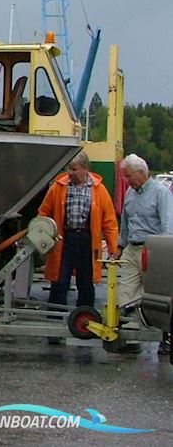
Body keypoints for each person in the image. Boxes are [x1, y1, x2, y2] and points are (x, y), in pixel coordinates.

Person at [38, 151, 118, 310]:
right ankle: (55, 320)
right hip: (64, 239)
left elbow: (109, 222)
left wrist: (113, 248)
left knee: (86, 283)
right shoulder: (58, 187)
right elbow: (43, 213)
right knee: (59, 281)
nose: (70, 172)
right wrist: (45, 237)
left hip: (87, 241)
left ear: (85, 169)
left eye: (74, 169)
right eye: (69, 168)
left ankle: (85, 319)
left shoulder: (99, 190)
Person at [111, 153, 173, 355]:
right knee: (127, 294)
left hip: (153, 250)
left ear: (142, 173)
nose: (127, 181)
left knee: (158, 297)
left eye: (129, 177)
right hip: (132, 248)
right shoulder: (130, 193)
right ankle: (131, 338)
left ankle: (166, 340)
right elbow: (126, 223)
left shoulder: (161, 193)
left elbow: (167, 224)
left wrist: (164, 252)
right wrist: (120, 247)